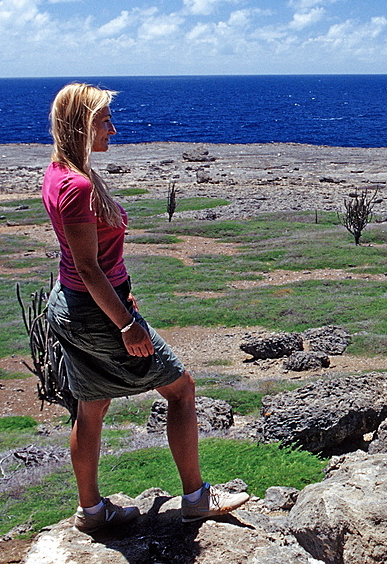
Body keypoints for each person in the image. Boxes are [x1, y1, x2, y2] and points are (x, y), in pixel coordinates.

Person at [42, 82, 249, 533]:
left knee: (91, 405)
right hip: (97, 313)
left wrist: (121, 293)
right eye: (103, 121)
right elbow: (90, 268)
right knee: (181, 389)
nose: (112, 130)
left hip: (74, 304)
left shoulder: (58, 173)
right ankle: (196, 498)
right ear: (80, 124)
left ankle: (92, 512)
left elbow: (85, 267)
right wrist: (126, 324)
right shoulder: (77, 185)